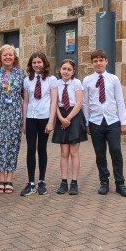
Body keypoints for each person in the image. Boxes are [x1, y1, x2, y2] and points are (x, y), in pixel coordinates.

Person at [82, 49, 126, 197]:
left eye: (101, 60)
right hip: (95, 122)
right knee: (100, 154)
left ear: (106, 61)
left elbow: (120, 101)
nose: (98, 63)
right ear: (92, 63)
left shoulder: (113, 79)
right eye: (95, 61)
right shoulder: (87, 80)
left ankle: (120, 183)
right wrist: (87, 123)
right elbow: (85, 104)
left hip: (112, 122)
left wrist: (123, 122)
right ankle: (104, 182)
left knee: (116, 151)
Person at [0, 44, 26, 195]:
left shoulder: (21, 74)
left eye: (11, 55)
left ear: (15, 57)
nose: (8, 57)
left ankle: (10, 179)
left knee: (12, 145)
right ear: (0, 57)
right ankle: (1, 179)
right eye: (5, 55)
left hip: (14, 115)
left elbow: (25, 97)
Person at [20, 52, 58, 196]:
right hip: (30, 118)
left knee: (42, 148)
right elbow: (26, 101)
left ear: (44, 63)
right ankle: (31, 183)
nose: (37, 65)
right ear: (31, 65)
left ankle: (42, 181)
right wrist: (24, 121)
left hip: (44, 118)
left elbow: (54, 100)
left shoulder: (51, 80)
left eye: (39, 62)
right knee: (30, 149)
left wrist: (51, 121)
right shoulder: (27, 80)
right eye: (34, 63)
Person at [52, 59, 87, 195]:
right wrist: (60, 118)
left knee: (74, 152)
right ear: (59, 70)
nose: (66, 71)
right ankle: (63, 181)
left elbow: (79, 102)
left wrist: (69, 118)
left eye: (69, 69)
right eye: (63, 69)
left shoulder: (76, 83)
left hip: (74, 116)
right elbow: (54, 102)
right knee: (64, 153)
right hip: (61, 114)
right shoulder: (56, 83)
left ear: (73, 72)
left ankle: (74, 182)